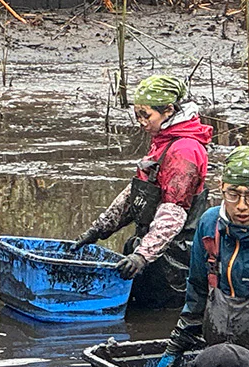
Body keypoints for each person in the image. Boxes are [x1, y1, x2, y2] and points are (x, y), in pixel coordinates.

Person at [73, 75, 210, 310]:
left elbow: (172, 213)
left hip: (174, 262)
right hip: (154, 252)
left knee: (159, 316)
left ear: (168, 110)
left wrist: (142, 256)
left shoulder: (185, 150)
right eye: (137, 115)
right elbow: (135, 193)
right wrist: (98, 230)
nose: (141, 122)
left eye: (146, 115)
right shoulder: (163, 142)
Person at [163, 146, 249, 365]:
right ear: (221, 188)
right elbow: (198, 290)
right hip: (218, 354)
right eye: (233, 194)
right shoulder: (209, 225)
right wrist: (179, 340)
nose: (241, 206)